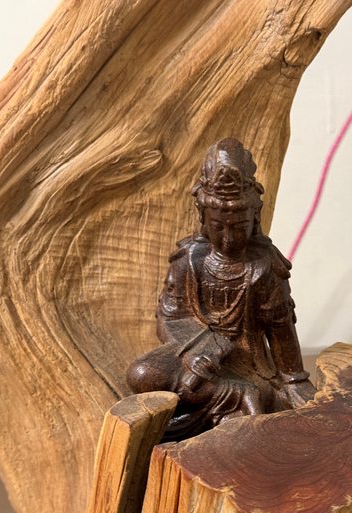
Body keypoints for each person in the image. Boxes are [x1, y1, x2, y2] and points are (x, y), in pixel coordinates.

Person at [127, 138, 313, 440]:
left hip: (248, 365)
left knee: (243, 431)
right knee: (142, 373)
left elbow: (281, 331)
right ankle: (235, 396)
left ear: (254, 218)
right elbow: (169, 318)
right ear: (203, 217)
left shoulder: (264, 266)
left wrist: (295, 381)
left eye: (238, 227)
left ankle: (241, 399)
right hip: (195, 361)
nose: (228, 239)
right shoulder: (189, 259)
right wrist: (199, 348)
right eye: (218, 227)